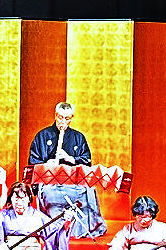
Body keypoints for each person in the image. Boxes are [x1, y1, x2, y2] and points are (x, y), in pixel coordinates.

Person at [26, 102, 106, 238]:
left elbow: (87, 161)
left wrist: (71, 159)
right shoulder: (42, 136)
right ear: (55, 115)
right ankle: (53, 229)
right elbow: (32, 163)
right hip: (50, 184)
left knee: (89, 191)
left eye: (67, 118)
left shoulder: (78, 137)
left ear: (71, 118)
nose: (63, 121)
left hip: (74, 184)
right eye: (60, 117)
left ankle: (85, 229)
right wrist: (46, 164)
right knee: (50, 195)